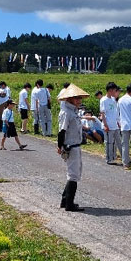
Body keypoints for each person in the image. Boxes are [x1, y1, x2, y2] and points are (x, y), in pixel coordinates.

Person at [57, 83, 89, 212]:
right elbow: (61, 131)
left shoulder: (73, 111)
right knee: (73, 175)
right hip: (70, 147)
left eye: (80, 98)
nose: (79, 100)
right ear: (69, 98)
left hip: (75, 145)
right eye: (76, 98)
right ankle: (69, 204)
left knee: (75, 173)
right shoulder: (66, 112)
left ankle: (65, 201)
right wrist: (60, 146)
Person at [100, 82, 121, 165]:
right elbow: (102, 113)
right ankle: (109, 159)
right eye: (114, 90)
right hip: (108, 125)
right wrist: (105, 125)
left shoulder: (113, 99)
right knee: (109, 142)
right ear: (110, 90)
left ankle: (122, 157)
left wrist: (118, 122)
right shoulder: (103, 100)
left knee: (118, 142)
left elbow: (115, 112)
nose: (115, 92)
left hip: (115, 125)